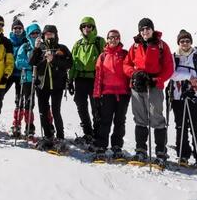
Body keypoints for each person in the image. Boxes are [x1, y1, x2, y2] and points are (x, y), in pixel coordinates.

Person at [123, 18, 174, 165]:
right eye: (142, 29)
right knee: (140, 118)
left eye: (147, 29)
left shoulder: (161, 46)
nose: (145, 32)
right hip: (138, 86)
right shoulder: (134, 46)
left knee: (156, 118)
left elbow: (169, 67)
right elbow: (126, 64)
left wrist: (157, 80)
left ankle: (160, 152)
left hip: (154, 86)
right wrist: (134, 74)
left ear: (152, 29)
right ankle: (141, 150)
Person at [168, 29, 197, 169]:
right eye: (182, 41)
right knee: (181, 126)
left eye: (187, 41)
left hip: (194, 96)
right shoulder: (174, 56)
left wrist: (196, 88)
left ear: (191, 42)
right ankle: (183, 155)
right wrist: (188, 77)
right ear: (178, 43)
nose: (185, 43)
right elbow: (171, 74)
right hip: (178, 95)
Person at [29, 24, 73, 151]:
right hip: (41, 85)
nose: (49, 36)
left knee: (56, 111)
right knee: (43, 112)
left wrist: (54, 60)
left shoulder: (62, 48)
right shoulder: (40, 47)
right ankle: (48, 136)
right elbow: (31, 62)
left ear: (55, 34)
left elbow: (69, 63)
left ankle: (60, 138)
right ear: (43, 35)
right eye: (46, 34)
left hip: (57, 85)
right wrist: (36, 49)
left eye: (51, 33)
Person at [92, 29, 131, 161]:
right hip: (107, 93)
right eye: (110, 37)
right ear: (107, 39)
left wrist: (131, 89)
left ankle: (116, 146)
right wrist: (97, 95)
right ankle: (101, 146)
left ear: (119, 39)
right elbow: (98, 77)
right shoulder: (103, 56)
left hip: (123, 93)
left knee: (120, 121)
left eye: (115, 37)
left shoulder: (125, 54)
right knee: (105, 120)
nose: (113, 39)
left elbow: (130, 71)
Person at [68, 17, 106, 144]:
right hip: (80, 79)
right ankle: (88, 132)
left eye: (89, 26)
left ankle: (97, 134)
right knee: (81, 106)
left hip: (95, 79)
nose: (86, 29)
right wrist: (70, 80)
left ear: (93, 28)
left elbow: (106, 61)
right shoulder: (78, 44)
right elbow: (73, 63)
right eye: (84, 26)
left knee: (96, 107)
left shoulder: (99, 42)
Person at [13, 23, 42, 138]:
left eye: (37, 33)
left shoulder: (43, 46)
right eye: (32, 33)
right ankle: (17, 124)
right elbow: (18, 62)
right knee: (22, 102)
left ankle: (30, 126)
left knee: (32, 104)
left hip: (39, 79)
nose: (35, 35)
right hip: (27, 78)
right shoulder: (25, 47)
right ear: (29, 35)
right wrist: (32, 65)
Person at [4, 18, 27, 132]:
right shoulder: (8, 42)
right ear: (12, 30)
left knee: (20, 99)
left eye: (19, 28)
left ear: (23, 30)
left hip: (21, 74)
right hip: (9, 73)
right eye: (15, 28)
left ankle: (17, 124)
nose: (17, 30)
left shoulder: (26, 42)